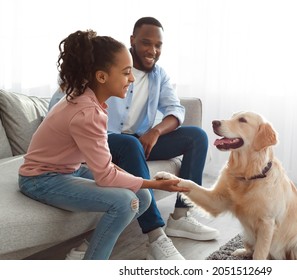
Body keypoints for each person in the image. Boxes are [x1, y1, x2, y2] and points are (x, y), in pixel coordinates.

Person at [50, 17, 219, 260]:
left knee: (197, 137)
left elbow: (175, 109)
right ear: (132, 41)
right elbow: (61, 105)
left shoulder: (158, 75)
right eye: (146, 43)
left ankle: (181, 216)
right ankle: (155, 236)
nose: (153, 51)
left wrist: (156, 131)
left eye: (158, 45)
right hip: (104, 139)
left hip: (139, 141)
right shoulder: (103, 66)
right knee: (128, 144)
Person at [18, 30, 188, 260]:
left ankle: (88, 248)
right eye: (126, 72)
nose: (131, 79)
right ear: (101, 77)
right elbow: (105, 177)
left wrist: (142, 184)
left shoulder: (87, 98)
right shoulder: (87, 112)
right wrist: (155, 183)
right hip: (41, 179)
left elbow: (103, 165)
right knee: (127, 203)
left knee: (143, 197)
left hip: (69, 168)